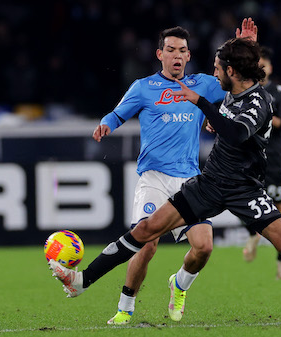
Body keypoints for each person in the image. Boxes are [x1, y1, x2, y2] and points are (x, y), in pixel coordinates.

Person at [49, 37, 281, 323]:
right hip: (208, 184)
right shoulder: (232, 91)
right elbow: (226, 106)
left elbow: (237, 134)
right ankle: (81, 282)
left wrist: (203, 106)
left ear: (232, 73)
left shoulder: (260, 101)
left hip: (244, 189)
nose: (212, 74)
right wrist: (246, 45)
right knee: (145, 231)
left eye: (216, 68)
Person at [83, 19, 257, 325]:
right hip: (153, 177)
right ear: (159, 54)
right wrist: (106, 124)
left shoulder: (202, 84)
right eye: (171, 49)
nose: (177, 55)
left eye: (183, 50)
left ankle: (179, 285)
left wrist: (245, 49)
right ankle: (125, 308)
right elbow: (117, 113)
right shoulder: (143, 88)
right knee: (146, 244)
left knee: (203, 247)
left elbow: (239, 85)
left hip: (189, 178)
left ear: (188, 56)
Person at [241, 46, 281, 280]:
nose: (261, 70)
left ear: (271, 68)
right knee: (241, 204)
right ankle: (254, 233)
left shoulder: (278, 92)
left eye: (264, 65)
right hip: (247, 160)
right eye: (258, 66)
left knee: (278, 213)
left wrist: (270, 119)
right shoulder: (244, 91)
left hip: (272, 160)